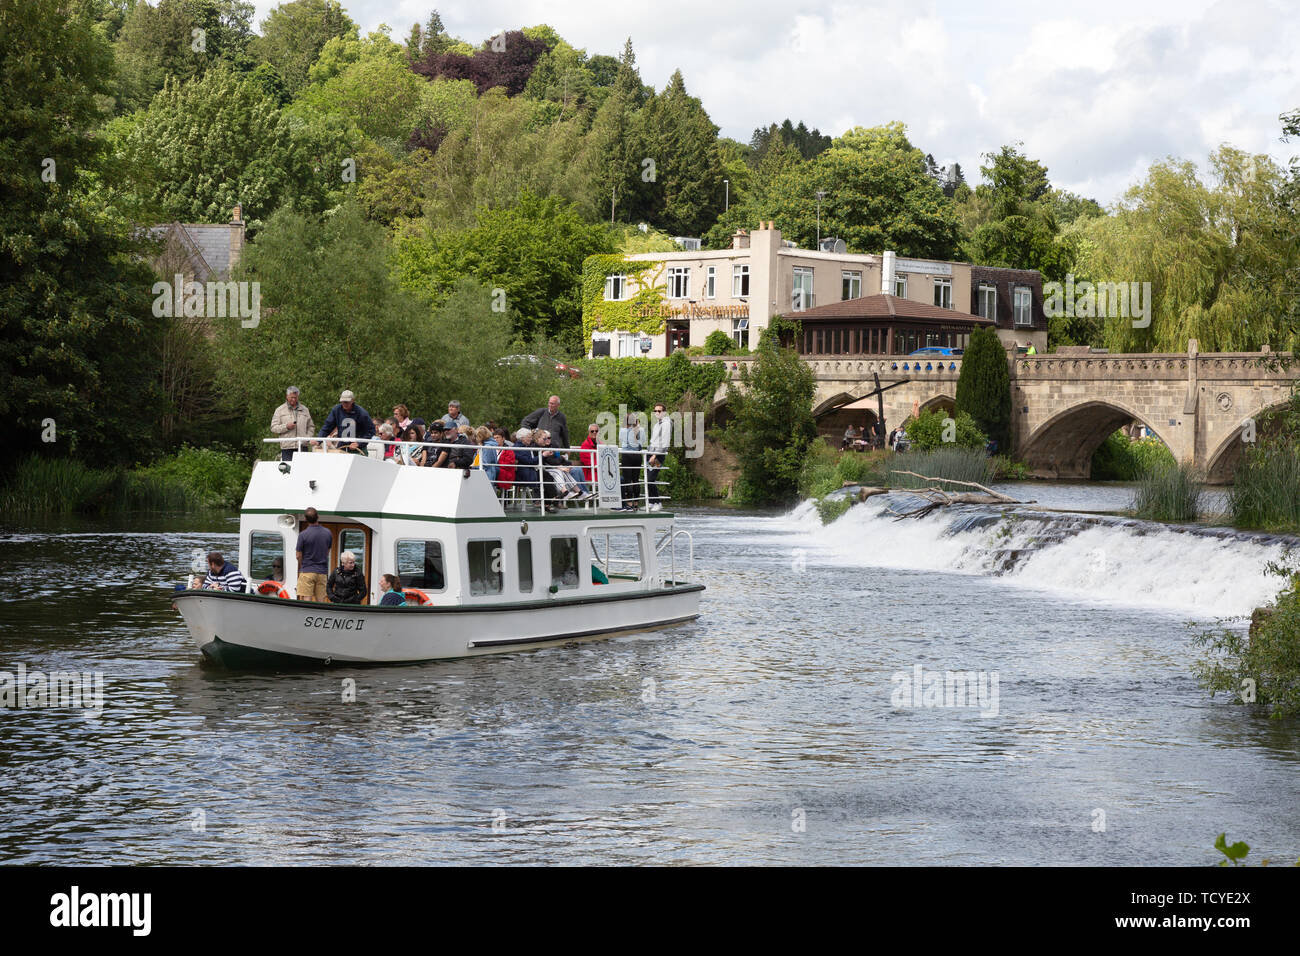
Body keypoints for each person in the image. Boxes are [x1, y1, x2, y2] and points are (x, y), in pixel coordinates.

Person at [295, 507, 332, 602]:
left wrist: (302, 566)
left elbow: (298, 555)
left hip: (307, 570)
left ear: (306, 519)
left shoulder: (303, 535)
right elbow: (327, 552)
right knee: (321, 599)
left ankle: (306, 616)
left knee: (307, 598)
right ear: (318, 517)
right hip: (322, 572)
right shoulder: (328, 533)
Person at [270, 386, 315, 461]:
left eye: (296, 397)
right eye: (291, 397)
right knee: (288, 471)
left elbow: (311, 427)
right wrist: (286, 426)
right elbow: (273, 428)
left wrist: (306, 438)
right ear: (287, 396)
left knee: (303, 471)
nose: (294, 399)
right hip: (287, 448)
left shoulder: (305, 410)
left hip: (303, 446)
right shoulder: (279, 410)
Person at [619, 412, 646, 509]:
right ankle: (636, 503)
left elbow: (621, 439)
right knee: (636, 479)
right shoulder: (641, 430)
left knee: (628, 480)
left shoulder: (623, 430)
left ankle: (629, 503)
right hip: (637, 456)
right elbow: (643, 441)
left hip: (627, 455)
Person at [647, 403, 671, 511]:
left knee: (651, 478)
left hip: (657, 456)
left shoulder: (666, 423)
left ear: (664, 412)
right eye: (655, 411)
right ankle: (651, 502)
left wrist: (655, 455)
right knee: (647, 479)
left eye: (659, 411)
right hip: (651, 454)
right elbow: (653, 441)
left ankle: (658, 502)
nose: (657, 413)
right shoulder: (657, 424)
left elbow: (664, 442)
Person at [512, 428, 540, 495]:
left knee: (546, 475)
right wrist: (543, 456)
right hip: (522, 475)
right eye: (529, 437)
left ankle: (544, 500)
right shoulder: (519, 448)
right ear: (522, 438)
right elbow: (529, 461)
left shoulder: (524, 446)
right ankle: (541, 500)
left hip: (526, 472)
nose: (531, 439)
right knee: (545, 476)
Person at [492, 426, 516, 495]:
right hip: (496, 472)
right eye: (494, 438)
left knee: (492, 470)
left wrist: (494, 464)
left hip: (506, 475)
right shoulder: (491, 449)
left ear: (503, 439)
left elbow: (507, 465)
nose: (496, 440)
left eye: (498, 437)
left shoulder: (509, 451)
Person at [579, 424, 599, 488]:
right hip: (591, 474)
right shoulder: (585, 445)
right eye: (592, 431)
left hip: (600, 472)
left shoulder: (601, 444)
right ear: (589, 432)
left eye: (596, 431)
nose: (594, 432)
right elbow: (588, 463)